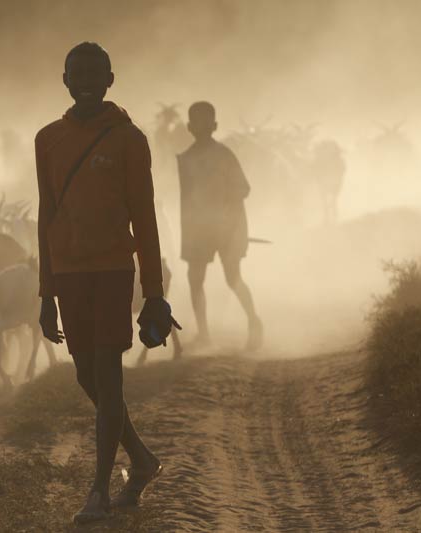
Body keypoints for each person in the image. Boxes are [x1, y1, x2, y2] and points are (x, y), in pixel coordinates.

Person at [36, 42, 179, 525]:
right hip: (69, 275)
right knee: (85, 375)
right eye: (77, 74)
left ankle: (98, 489)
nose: (87, 82)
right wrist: (45, 293)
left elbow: (147, 218)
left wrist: (154, 291)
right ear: (64, 79)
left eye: (96, 74)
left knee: (108, 373)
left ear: (111, 79)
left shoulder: (129, 140)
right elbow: (46, 215)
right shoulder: (47, 139)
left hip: (114, 271)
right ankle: (141, 459)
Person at [177, 101, 263, 351]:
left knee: (232, 276)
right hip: (198, 228)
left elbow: (243, 189)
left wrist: (223, 211)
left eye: (207, 124)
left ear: (214, 126)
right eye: (198, 124)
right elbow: (186, 198)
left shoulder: (224, 155)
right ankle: (204, 335)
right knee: (195, 279)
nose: (202, 128)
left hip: (228, 227)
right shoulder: (186, 159)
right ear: (190, 127)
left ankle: (253, 321)